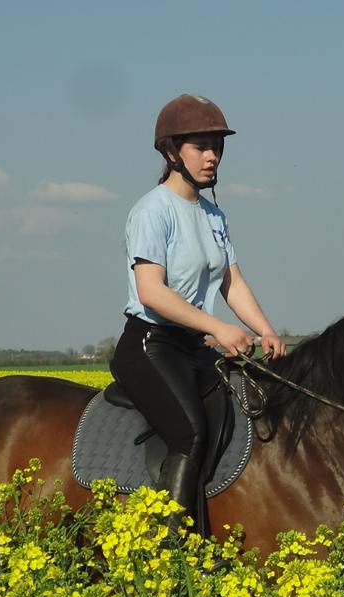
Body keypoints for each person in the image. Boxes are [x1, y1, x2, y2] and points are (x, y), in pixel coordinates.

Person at [109, 93, 285, 538]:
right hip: (151, 345)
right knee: (190, 434)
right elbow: (152, 292)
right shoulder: (152, 210)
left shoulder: (213, 214)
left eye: (217, 147)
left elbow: (232, 282)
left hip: (194, 346)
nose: (212, 157)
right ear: (171, 152)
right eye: (201, 147)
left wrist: (263, 329)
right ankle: (175, 549)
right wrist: (218, 327)